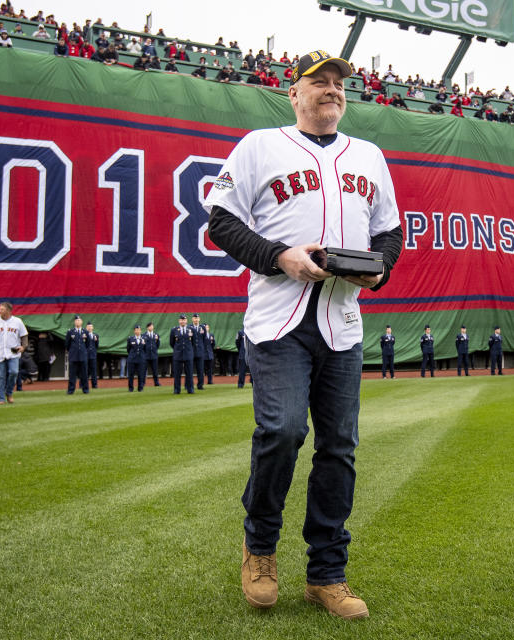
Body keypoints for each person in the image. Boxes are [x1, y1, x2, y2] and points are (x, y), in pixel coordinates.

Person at [204, 50, 402, 620]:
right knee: (284, 430)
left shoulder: (367, 155)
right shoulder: (260, 145)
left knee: (339, 446)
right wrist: (278, 256)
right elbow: (221, 220)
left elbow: (390, 229)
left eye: (339, 83)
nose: (332, 90)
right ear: (293, 94)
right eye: (319, 82)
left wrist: (379, 267)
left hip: (342, 321)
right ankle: (260, 549)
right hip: (278, 319)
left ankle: (327, 574)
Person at [0, 301, 27, 404]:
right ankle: (1, 398)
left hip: (13, 352)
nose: (0, 311)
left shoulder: (17, 321)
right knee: (0, 376)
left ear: (8, 311)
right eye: (0, 309)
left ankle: (9, 392)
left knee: (14, 372)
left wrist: (23, 346)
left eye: (2, 309)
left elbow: (24, 335)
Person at [169, 314, 195, 394]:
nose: (182, 321)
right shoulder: (174, 330)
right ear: (179, 321)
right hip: (178, 355)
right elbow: (172, 343)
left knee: (189, 373)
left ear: (186, 321)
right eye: (181, 320)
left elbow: (193, 342)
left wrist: (189, 350)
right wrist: (177, 350)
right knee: (177, 374)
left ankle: (190, 389)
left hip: (188, 354)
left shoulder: (191, 329)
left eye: (184, 320)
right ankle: (177, 390)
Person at [65, 315, 90, 394]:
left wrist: (83, 351)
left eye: (79, 320)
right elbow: (67, 344)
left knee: (84, 374)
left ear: (82, 322)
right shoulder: (70, 332)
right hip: (73, 356)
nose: (78, 322)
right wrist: (72, 351)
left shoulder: (85, 332)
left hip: (83, 356)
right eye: (76, 320)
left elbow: (88, 344)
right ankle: (71, 390)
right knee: (72, 375)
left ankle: (85, 389)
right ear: (74, 322)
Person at [126, 324, 148, 392]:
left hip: (141, 359)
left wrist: (143, 356)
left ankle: (140, 388)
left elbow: (145, 349)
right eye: (136, 330)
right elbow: (128, 349)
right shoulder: (130, 338)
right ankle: (130, 388)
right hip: (132, 359)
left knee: (141, 374)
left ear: (140, 331)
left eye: (138, 330)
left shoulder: (144, 339)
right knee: (131, 374)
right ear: (134, 331)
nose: (137, 331)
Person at [189, 313, 208, 390]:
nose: (196, 319)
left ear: (199, 319)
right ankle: (189, 385)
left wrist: (201, 348)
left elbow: (204, 339)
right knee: (189, 369)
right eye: (194, 318)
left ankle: (200, 385)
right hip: (191, 352)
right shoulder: (189, 327)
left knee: (200, 370)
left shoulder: (202, 327)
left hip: (200, 352)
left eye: (197, 318)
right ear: (192, 319)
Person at [85, 322, 99, 389]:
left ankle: (94, 385)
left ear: (92, 327)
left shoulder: (96, 335)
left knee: (94, 371)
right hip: (85, 355)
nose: (90, 328)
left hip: (93, 355)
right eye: (88, 327)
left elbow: (97, 346)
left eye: (91, 326)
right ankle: (83, 385)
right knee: (85, 370)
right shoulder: (84, 335)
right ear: (86, 328)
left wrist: (95, 340)